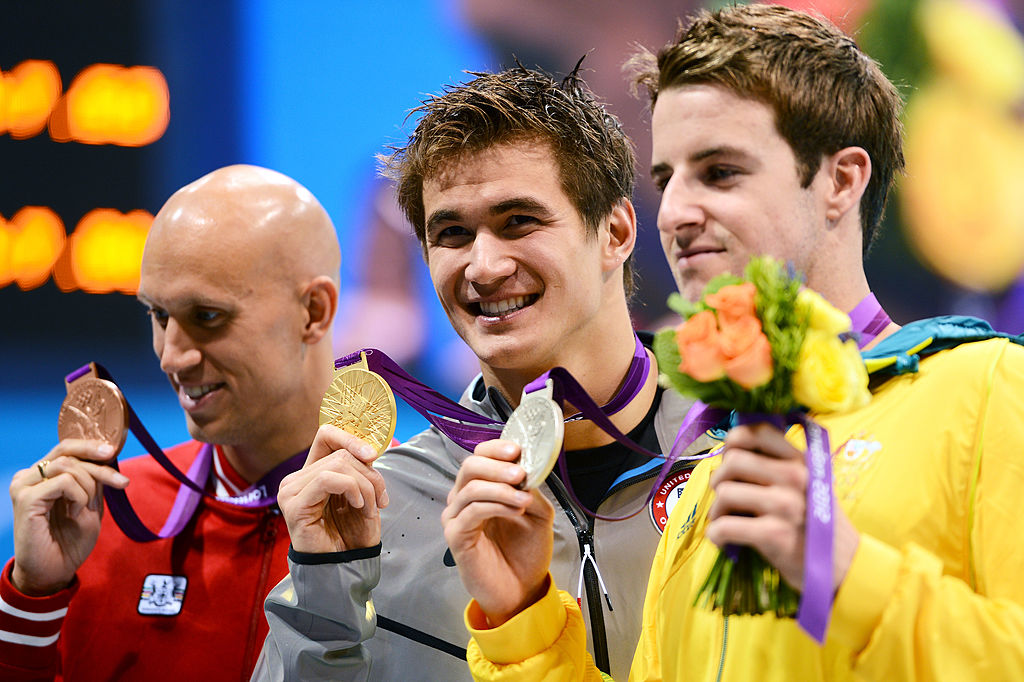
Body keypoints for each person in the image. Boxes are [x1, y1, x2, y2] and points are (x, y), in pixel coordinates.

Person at [450, 5, 1024, 680]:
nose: (675, 213)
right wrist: (524, 617)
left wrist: (845, 574)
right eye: (666, 180)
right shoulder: (702, 483)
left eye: (719, 172)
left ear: (841, 180)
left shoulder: (987, 390)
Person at [254, 65, 714, 681]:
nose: (484, 266)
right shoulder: (376, 510)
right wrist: (324, 600)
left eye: (518, 220)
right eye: (451, 233)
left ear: (616, 230)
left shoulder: (744, 448)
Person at [0, 165, 380, 681]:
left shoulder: (407, 518)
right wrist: (33, 597)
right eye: (158, 316)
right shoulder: (98, 519)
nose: (170, 357)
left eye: (207, 316)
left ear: (313, 311)